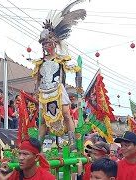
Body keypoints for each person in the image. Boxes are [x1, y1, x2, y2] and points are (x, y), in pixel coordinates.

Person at [32, 0, 86, 151]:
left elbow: (73, 69)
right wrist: (36, 91)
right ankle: (38, 147)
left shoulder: (62, 59)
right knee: (43, 121)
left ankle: (73, 144)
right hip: (45, 92)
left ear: (54, 44)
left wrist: (79, 82)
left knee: (67, 115)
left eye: (47, 43)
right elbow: (38, 79)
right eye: (43, 44)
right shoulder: (39, 62)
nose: (45, 47)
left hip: (58, 91)